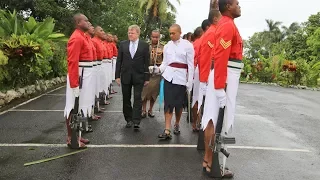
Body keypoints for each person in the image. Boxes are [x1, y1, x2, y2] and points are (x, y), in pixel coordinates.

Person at [202, 0, 243, 178]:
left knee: (212, 118)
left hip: (224, 75)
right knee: (221, 121)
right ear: (228, 7)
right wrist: (219, 87)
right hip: (225, 75)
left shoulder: (226, 24)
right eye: (237, 3)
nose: (239, 6)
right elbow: (220, 57)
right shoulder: (227, 26)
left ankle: (208, 162)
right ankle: (217, 165)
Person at [153, 24, 194, 139]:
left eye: (173, 33)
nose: (171, 35)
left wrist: (190, 81)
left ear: (180, 33)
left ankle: (177, 123)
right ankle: (167, 130)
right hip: (169, 77)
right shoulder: (167, 46)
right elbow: (165, 63)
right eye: (170, 33)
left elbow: (190, 65)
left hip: (181, 78)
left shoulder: (188, 46)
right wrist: (158, 69)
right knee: (168, 103)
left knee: (179, 105)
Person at [63, 13, 92, 149]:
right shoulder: (76, 38)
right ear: (78, 23)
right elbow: (73, 61)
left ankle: (78, 135)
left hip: (85, 74)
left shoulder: (84, 36)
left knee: (80, 107)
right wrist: (74, 84)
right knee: (73, 106)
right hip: (79, 75)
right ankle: (71, 138)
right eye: (85, 20)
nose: (88, 22)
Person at [115, 25, 150, 130]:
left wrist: (147, 77)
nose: (130, 34)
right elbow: (119, 61)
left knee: (138, 98)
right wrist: (117, 76)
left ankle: (136, 120)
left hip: (139, 76)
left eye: (132, 33)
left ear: (138, 33)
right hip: (125, 75)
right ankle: (128, 119)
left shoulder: (144, 45)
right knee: (126, 98)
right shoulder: (123, 44)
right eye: (129, 33)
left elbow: (146, 62)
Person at [141, 30, 164, 118]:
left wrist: (160, 69)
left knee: (154, 92)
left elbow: (165, 60)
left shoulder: (162, 47)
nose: (155, 39)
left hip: (157, 72)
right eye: (153, 37)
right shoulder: (146, 46)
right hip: (147, 71)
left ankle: (150, 109)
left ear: (159, 37)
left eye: (156, 37)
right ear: (150, 36)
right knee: (145, 92)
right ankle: (143, 110)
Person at [190, 27, 204, 132]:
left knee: (196, 99)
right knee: (200, 100)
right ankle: (198, 121)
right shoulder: (203, 42)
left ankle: (195, 122)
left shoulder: (193, 44)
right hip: (202, 73)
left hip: (196, 74)